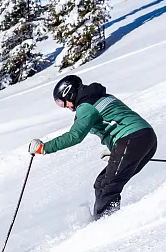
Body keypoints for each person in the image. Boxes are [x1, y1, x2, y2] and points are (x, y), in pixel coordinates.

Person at [28, 75, 158, 220]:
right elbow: (114, 123)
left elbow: (75, 136)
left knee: (109, 186)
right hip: (144, 137)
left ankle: (107, 224)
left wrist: (43, 148)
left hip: (132, 139)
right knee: (100, 183)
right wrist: (114, 149)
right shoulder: (101, 97)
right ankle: (101, 219)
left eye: (61, 102)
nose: (65, 107)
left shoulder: (86, 107)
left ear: (69, 94)